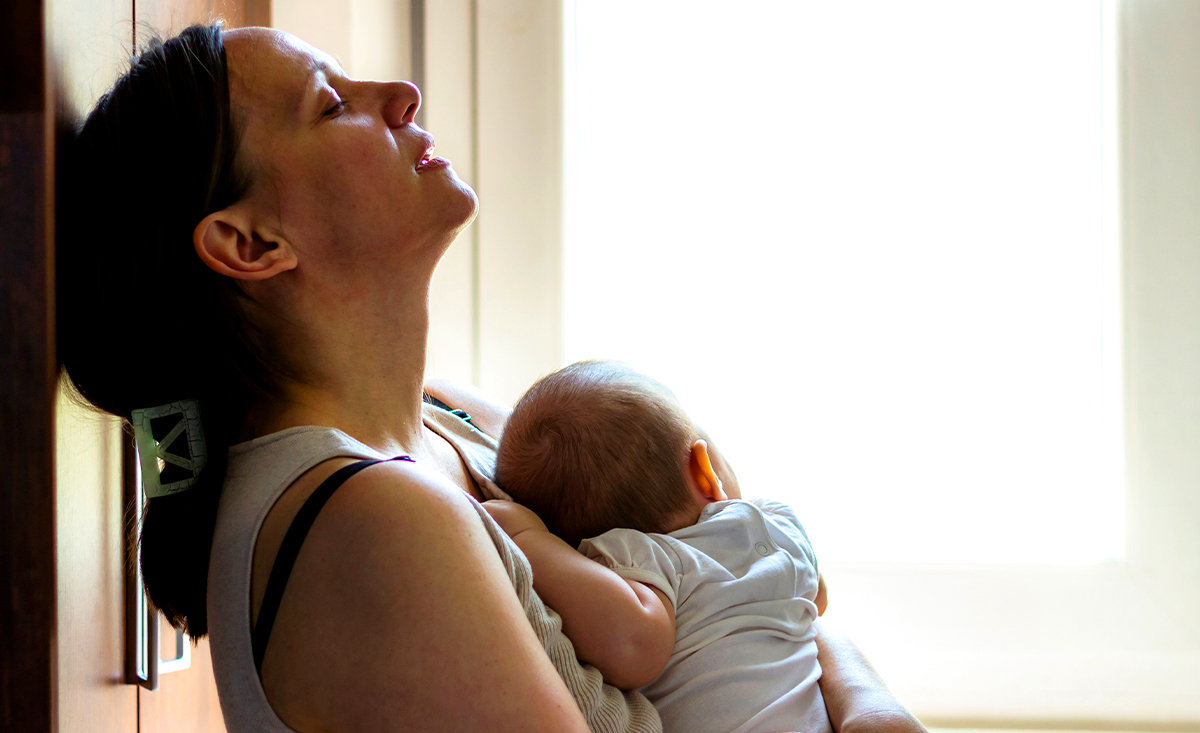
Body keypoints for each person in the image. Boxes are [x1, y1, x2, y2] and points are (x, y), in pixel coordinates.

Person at [55, 21, 927, 733]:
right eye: (332, 104)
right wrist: (863, 699)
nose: (400, 95)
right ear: (251, 244)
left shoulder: (452, 424)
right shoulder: (372, 520)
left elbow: (748, 591)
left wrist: (868, 699)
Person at [487, 360, 830, 733]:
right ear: (704, 470)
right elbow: (817, 598)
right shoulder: (772, 522)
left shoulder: (638, 564)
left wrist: (528, 540)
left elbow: (633, 649)